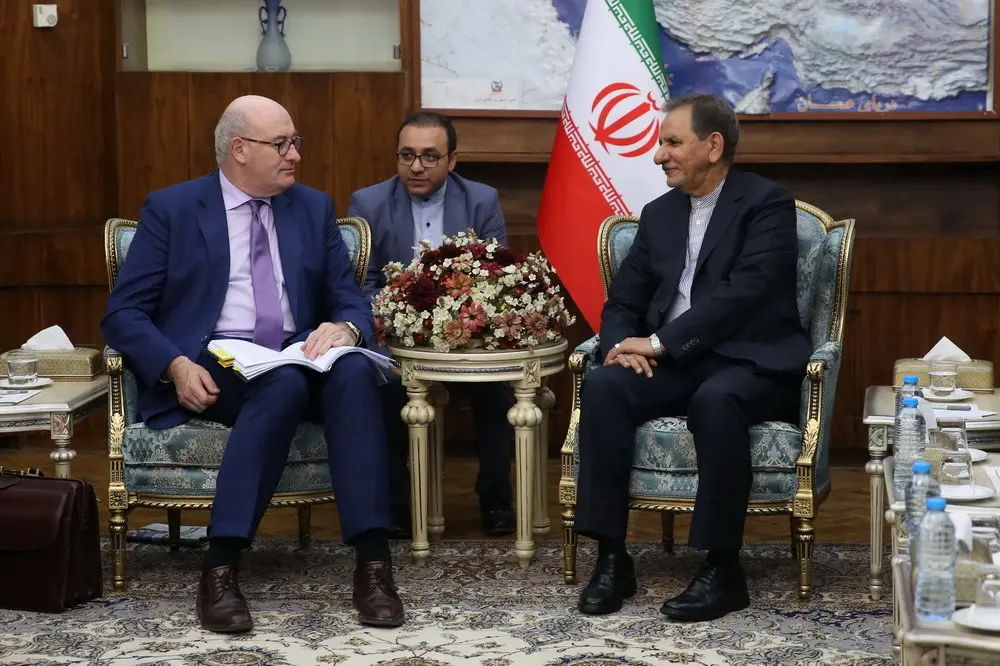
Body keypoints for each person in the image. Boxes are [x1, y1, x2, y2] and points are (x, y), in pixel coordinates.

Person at [101, 95, 405, 633]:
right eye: (282, 144)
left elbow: (349, 297)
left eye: (295, 142)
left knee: (357, 372)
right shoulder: (174, 209)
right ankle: (220, 567)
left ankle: (374, 565)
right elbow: (123, 313)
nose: (295, 155)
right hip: (220, 360)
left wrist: (347, 328)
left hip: (302, 351)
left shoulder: (311, 207)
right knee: (282, 386)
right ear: (239, 149)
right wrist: (174, 365)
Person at [573, 93, 810, 622]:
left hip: (750, 361)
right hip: (677, 362)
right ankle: (611, 559)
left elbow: (742, 295)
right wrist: (620, 347)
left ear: (713, 145)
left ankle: (722, 569)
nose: (659, 155)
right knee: (605, 386)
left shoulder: (767, 204)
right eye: (662, 143)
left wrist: (658, 343)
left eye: (672, 142)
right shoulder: (659, 214)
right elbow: (623, 300)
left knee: (716, 398)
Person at [348, 111, 516, 537]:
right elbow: (362, 284)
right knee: (380, 387)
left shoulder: (481, 200)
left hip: (465, 335)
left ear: (451, 160)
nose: (416, 167)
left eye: (428, 156)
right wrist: (400, 316)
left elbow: (496, 276)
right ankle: (397, 505)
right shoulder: (368, 202)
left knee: (496, 389)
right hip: (396, 339)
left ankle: (496, 498)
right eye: (406, 156)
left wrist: (457, 320)